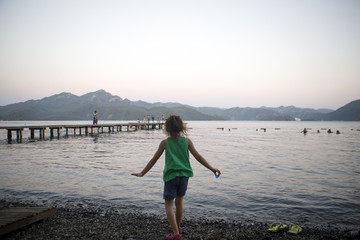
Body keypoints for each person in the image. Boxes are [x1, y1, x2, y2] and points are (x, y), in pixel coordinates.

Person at [131, 115, 221, 240]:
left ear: (167, 128)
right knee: (179, 202)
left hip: (171, 176)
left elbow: (154, 159)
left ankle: (176, 234)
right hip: (184, 176)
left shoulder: (165, 143)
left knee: (168, 204)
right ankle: (177, 227)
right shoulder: (187, 141)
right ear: (182, 127)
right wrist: (212, 169)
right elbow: (198, 157)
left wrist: (142, 173)